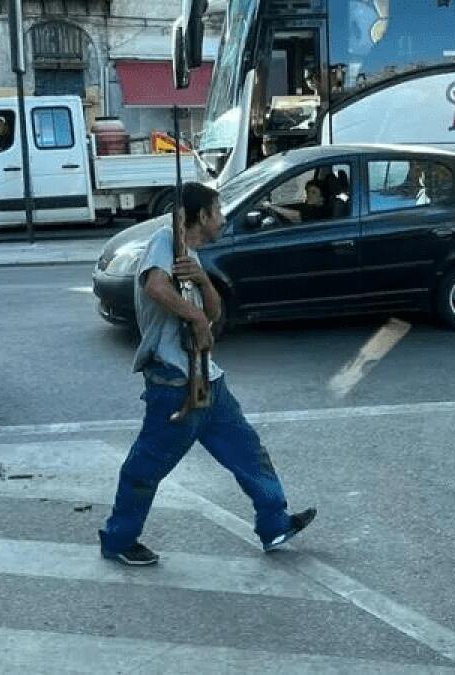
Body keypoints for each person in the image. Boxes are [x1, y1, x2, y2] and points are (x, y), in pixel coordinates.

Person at [98, 182, 316, 566]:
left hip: (209, 381)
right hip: (174, 383)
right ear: (199, 216)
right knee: (145, 468)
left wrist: (201, 283)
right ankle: (118, 540)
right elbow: (155, 286)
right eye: (217, 210)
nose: (224, 217)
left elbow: (214, 313)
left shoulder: (192, 256)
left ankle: (275, 524)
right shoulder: (166, 241)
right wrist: (194, 316)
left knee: (250, 455)